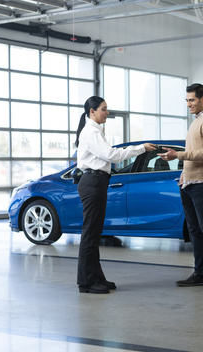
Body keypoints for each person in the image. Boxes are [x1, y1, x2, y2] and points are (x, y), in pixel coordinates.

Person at [75, 96, 156, 294]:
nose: (107, 112)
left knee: (94, 233)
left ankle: (96, 277)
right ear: (92, 111)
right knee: (90, 233)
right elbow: (112, 155)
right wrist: (141, 148)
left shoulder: (96, 131)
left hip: (98, 182)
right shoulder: (91, 132)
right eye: (104, 109)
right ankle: (86, 282)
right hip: (93, 182)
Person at [158, 83, 203, 289]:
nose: (188, 104)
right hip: (188, 183)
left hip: (202, 183)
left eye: (192, 100)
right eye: (186, 100)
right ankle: (200, 273)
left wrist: (178, 155)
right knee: (194, 231)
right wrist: (183, 175)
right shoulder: (196, 122)